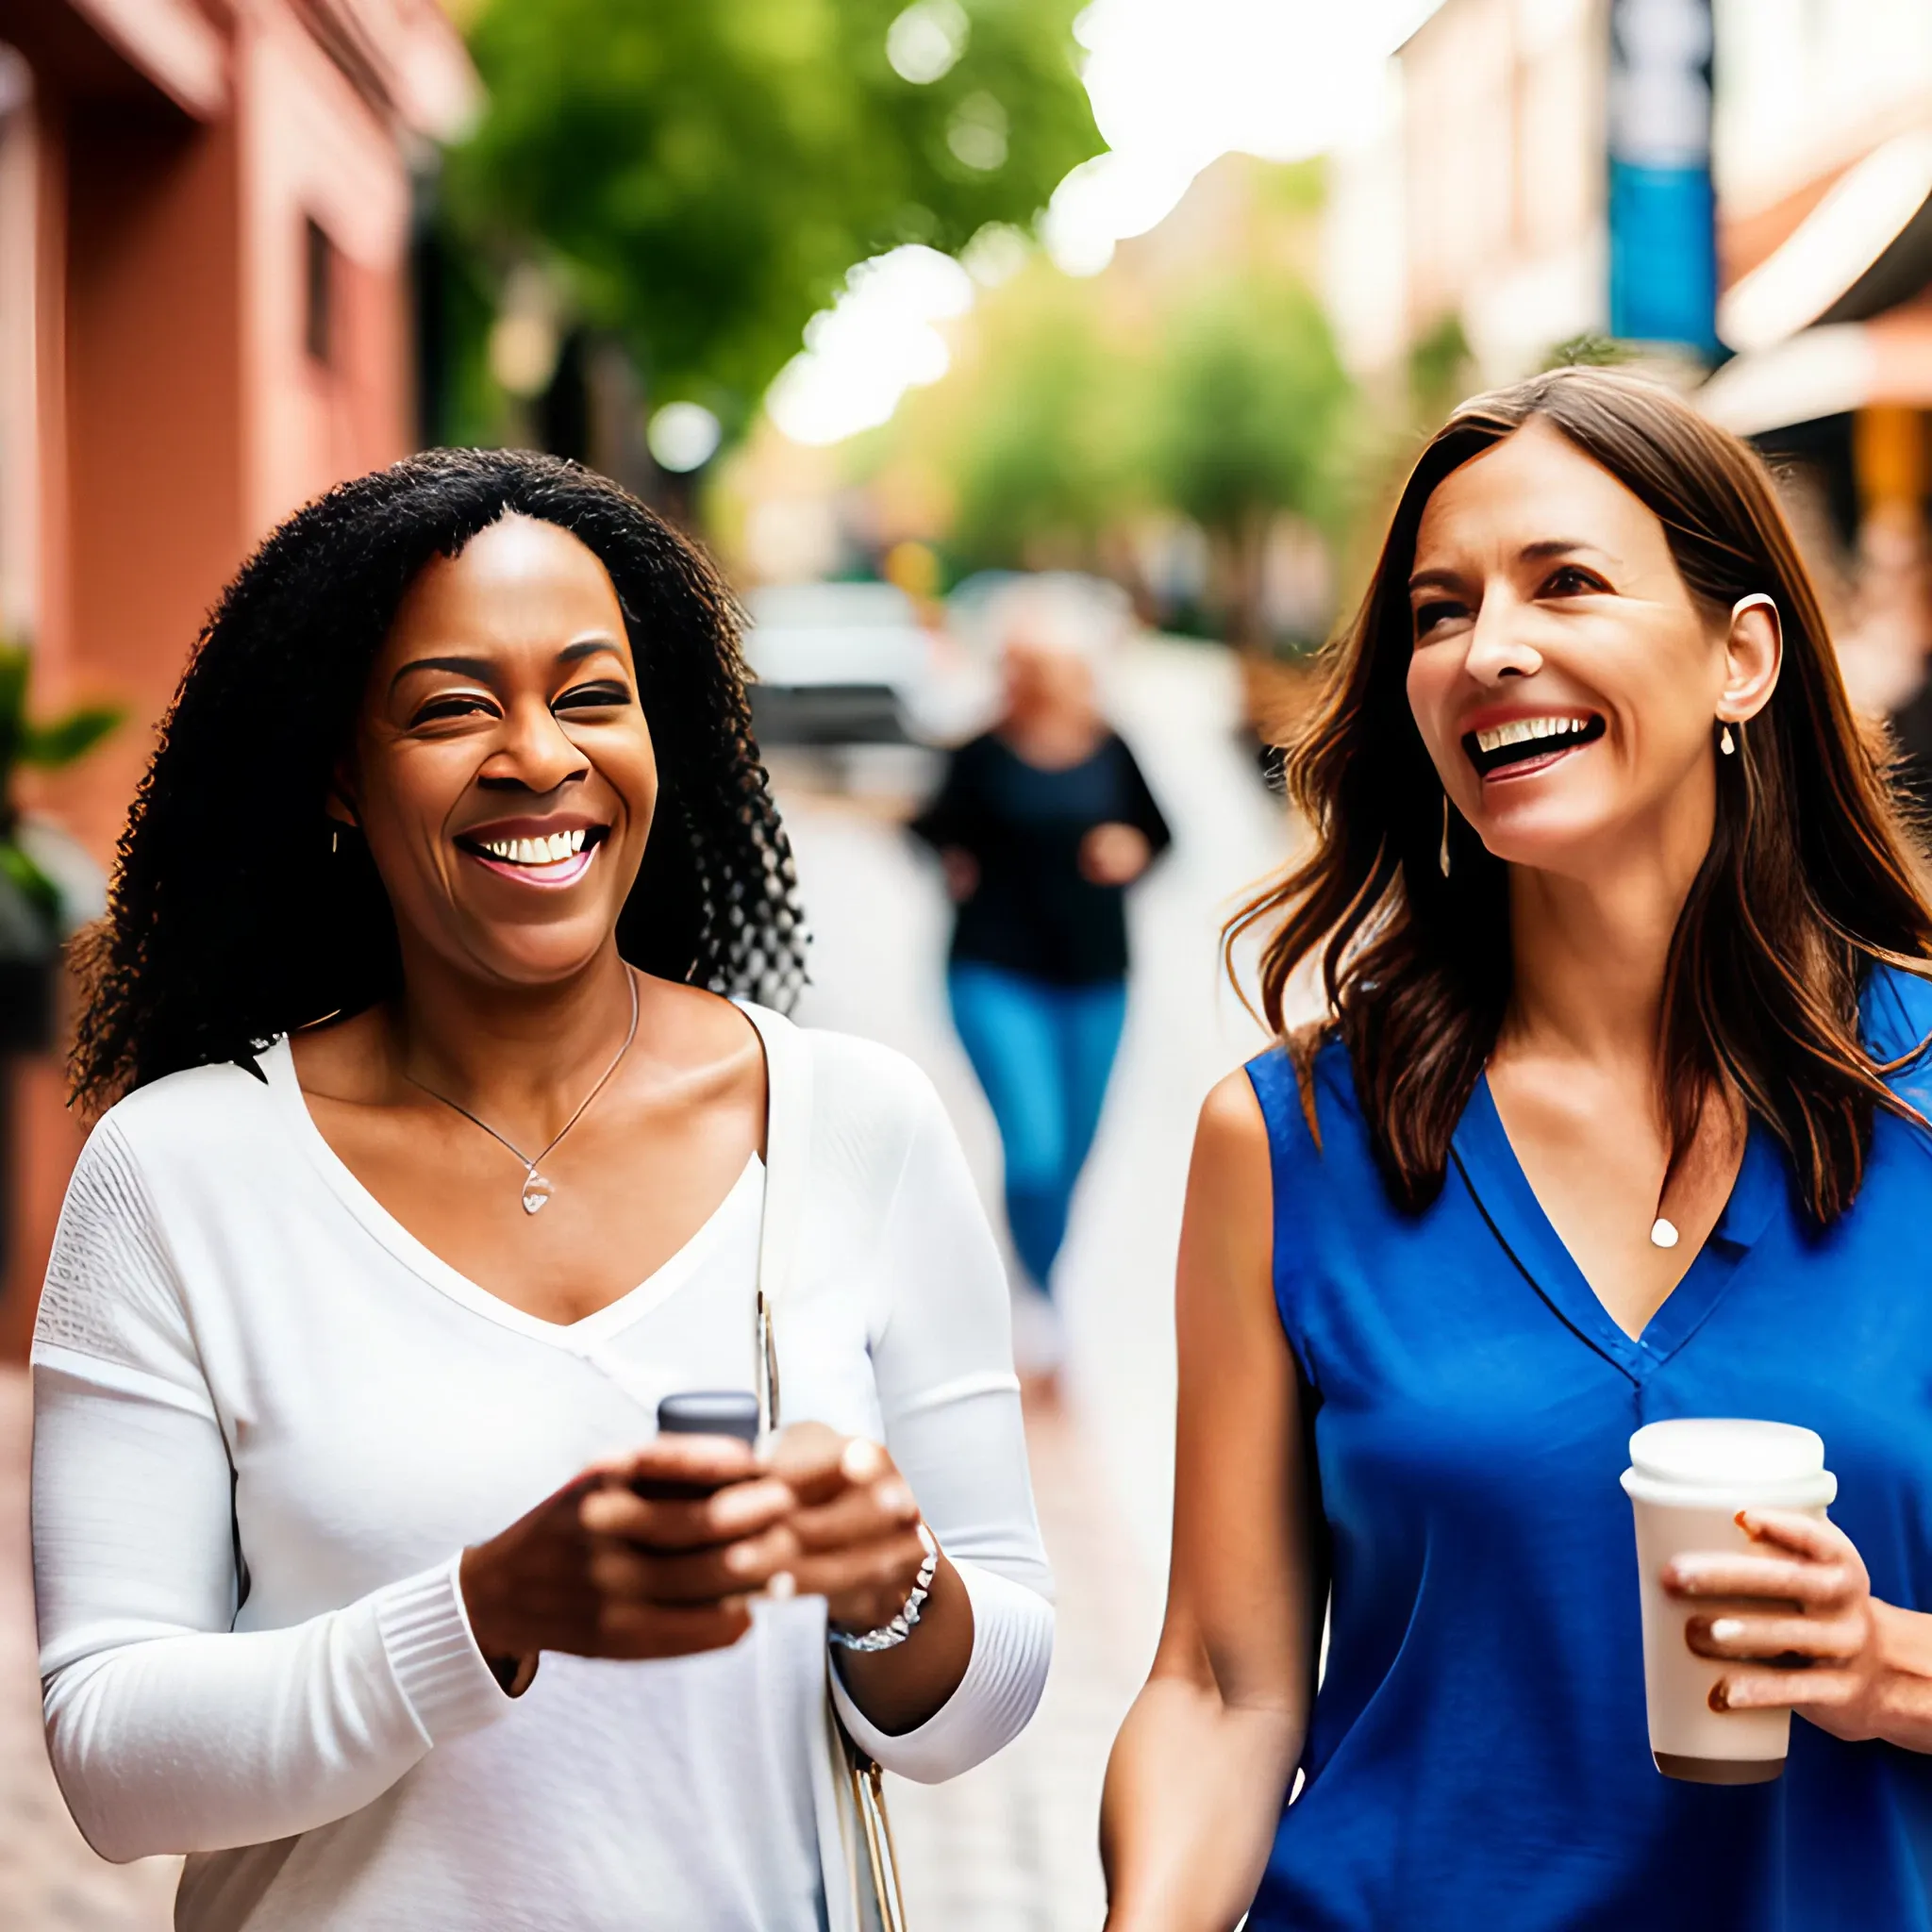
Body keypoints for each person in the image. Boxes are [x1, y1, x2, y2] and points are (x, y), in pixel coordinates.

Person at [30, 450, 1053, 1931]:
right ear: (338, 770)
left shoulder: (851, 1129)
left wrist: (892, 1581)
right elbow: (115, 1764)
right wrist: (485, 1614)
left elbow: (982, 1703)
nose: (538, 756)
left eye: (590, 696)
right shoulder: (182, 1173)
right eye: (452, 707)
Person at [1100, 367, 1932, 1930]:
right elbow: (1220, 1686)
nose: (1486, 649)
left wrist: (1884, 1663)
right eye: (1435, 609)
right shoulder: (1284, 1143)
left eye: (1564, 582)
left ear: (1738, 655)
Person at [910, 596, 1171, 1360]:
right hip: (995, 973)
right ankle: (1036, 1292)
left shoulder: (1111, 749)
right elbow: (926, 826)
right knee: (1033, 1149)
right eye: (1021, 667)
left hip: (1096, 979)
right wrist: (952, 861)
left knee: (1075, 1154)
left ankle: (1039, 1275)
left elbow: (1160, 834)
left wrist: (1131, 849)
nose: (1033, 680)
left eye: (1048, 667)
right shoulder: (980, 754)